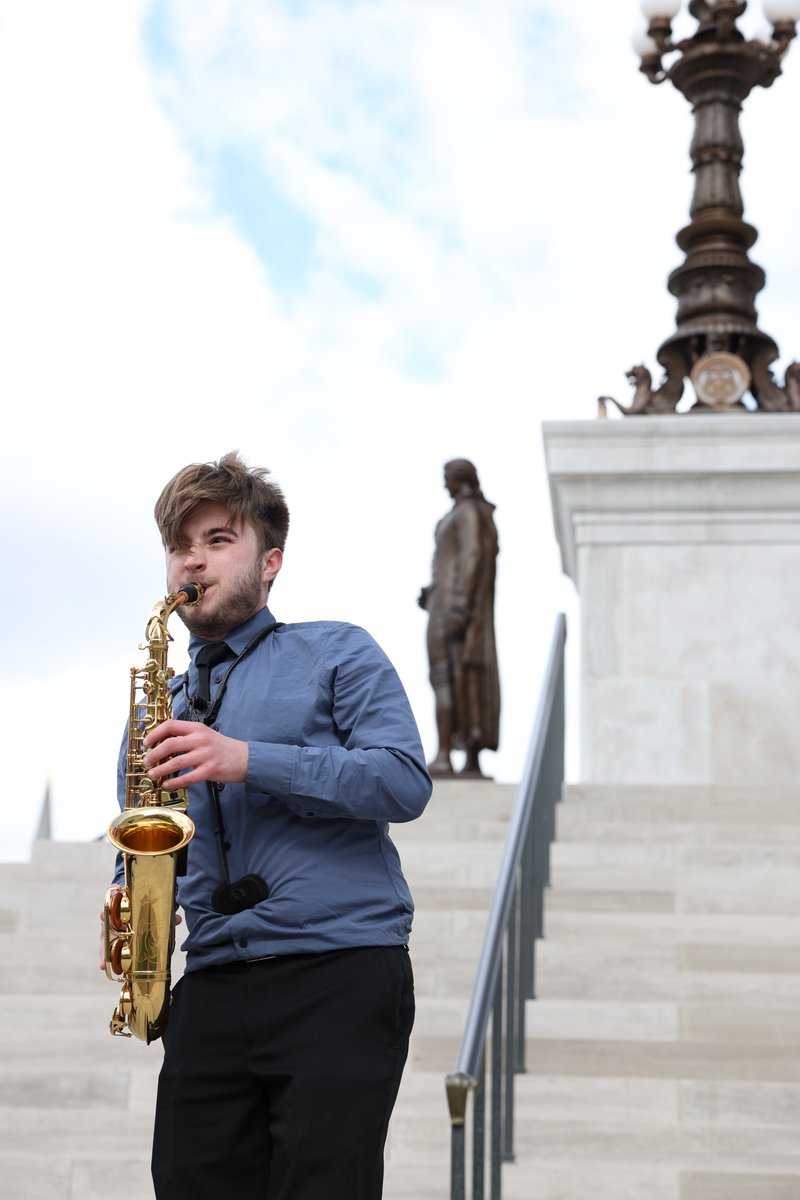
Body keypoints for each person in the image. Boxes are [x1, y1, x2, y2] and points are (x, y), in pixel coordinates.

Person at [112, 451, 432, 1200]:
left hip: (340, 971)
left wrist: (246, 759)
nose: (193, 559)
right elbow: (139, 849)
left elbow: (402, 779)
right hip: (213, 987)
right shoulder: (157, 708)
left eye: (219, 540)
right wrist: (133, 915)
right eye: (180, 545)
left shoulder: (337, 651)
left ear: (271, 562)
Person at [418, 458, 500, 777]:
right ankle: (462, 754)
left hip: (450, 608)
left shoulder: (466, 512)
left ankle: (445, 754)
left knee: (446, 677)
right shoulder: (472, 512)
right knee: (458, 678)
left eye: (446, 478)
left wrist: (459, 606)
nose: (444, 485)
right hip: (444, 601)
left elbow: (472, 556)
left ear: (459, 479)